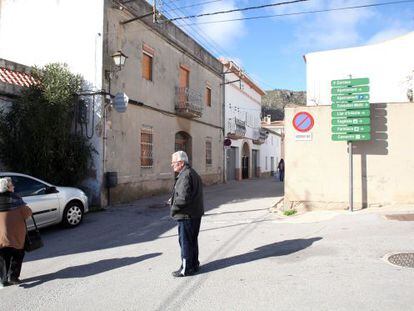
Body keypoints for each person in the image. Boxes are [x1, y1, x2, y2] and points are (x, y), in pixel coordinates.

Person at [169, 151, 204, 277]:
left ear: (181, 163)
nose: (172, 165)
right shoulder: (191, 173)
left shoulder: (185, 175)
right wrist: (172, 200)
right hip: (194, 214)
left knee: (185, 242)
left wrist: (173, 207)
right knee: (192, 241)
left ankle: (186, 268)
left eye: (174, 163)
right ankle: (194, 264)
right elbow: (187, 194)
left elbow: (183, 198)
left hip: (186, 215)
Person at [0, 177, 32, 287]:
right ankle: (13, 277)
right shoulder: (16, 198)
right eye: (12, 185)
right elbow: (27, 213)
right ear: (8, 187)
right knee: (17, 254)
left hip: (1, 236)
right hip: (16, 235)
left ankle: (3, 280)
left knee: (3, 257)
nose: (13, 186)